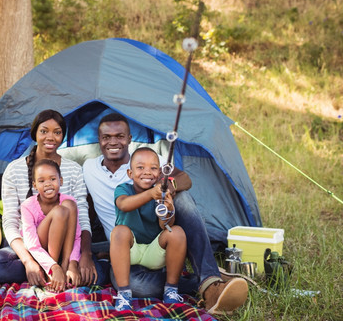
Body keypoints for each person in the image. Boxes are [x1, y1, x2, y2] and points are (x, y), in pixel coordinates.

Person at [83, 113, 248, 315]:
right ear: (98, 140)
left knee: (182, 199)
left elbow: (185, 179)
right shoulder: (89, 168)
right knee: (139, 287)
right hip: (126, 249)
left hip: (157, 244)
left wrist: (169, 190)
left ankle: (210, 282)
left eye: (119, 136)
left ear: (129, 138)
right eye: (106, 137)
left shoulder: (149, 160)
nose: (113, 141)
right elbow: (84, 205)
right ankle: (204, 282)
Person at [0, 109, 104, 287]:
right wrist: (28, 262)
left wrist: (83, 257)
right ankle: (47, 272)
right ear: (35, 134)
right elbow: (10, 221)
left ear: (63, 136)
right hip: (28, 246)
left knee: (97, 276)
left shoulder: (73, 169)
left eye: (57, 132)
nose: (50, 137)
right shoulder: (14, 169)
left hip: (66, 246)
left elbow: (83, 218)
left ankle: (56, 272)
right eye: (44, 131)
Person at [111, 147, 187, 311]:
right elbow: (124, 204)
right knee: (119, 232)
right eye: (140, 167)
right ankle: (124, 294)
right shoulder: (123, 189)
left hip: (154, 251)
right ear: (130, 174)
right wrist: (151, 194)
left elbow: (166, 225)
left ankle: (171, 290)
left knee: (177, 233)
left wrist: (167, 209)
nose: (147, 172)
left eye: (153, 168)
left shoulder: (161, 192)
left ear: (159, 173)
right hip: (130, 252)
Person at [21, 159, 81, 292]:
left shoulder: (70, 201)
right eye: (41, 181)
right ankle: (51, 275)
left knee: (68, 206)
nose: (48, 184)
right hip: (39, 251)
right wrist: (53, 266)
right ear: (35, 185)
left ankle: (64, 266)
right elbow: (32, 245)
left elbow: (76, 237)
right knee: (59, 211)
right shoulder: (27, 206)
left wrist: (73, 263)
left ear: (61, 180)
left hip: (63, 250)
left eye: (53, 179)